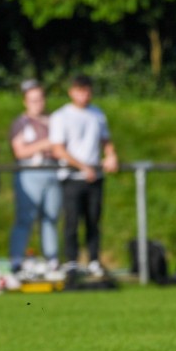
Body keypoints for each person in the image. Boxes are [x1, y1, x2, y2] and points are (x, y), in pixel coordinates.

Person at [49, 74, 119, 279]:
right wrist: (82, 167)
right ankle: (71, 261)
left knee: (94, 221)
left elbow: (106, 141)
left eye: (87, 91)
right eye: (80, 91)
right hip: (72, 177)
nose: (84, 95)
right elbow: (58, 149)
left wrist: (111, 155)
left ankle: (94, 260)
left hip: (94, 177)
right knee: (71, 222)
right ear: (71, 92)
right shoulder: (61, 116)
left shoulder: (97, 114)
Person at [8, 80, 62, 279]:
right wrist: (45, 144)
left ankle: (52, 260)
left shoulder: (53, 121)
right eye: (33, 100)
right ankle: (16, 259)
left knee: (51, 218)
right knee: (25, 218)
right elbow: (20, 151)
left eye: (40, 99)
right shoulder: (20, 123)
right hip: (30, 173)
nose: (38, 104)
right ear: (25, 102)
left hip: (52, 171)